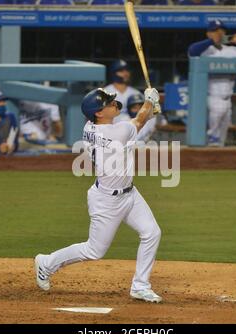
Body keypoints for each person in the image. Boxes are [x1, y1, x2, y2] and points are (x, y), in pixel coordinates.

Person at [34, 87, 163, 303]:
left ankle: (140, 286)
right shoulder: (116, 132)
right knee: (94, 250)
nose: (114, 103)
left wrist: (150, 108)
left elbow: (139, 120)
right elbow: (139, 121)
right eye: (108, 103)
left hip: (129, 194)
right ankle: (46, 263)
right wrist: (149, 102)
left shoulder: (90, 127)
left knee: (152, 232)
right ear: (99, 113)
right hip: (107, 201)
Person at [188, 20, 236, 146]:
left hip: (228, 98)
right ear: (208, 34)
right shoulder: (204, 50)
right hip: (211, 96)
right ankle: (211, 137)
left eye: (222, 31)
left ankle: (212, 156)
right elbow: (192, 51)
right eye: (215, 31)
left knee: (221, 140)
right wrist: (212, 40)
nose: (219, 34)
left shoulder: (232, 51)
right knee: (215, 126)